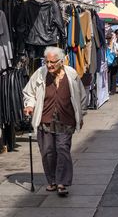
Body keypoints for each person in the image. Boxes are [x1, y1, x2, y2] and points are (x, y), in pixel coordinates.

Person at [23, 46, 87, 196]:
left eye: (53, 62)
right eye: (47, 62)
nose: (49, 65)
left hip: (66, 119)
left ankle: (61, 183)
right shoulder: (40, 74)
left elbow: (82, 96)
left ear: (61, 61)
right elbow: (29, 92)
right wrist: (30, 105)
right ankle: (51, 180)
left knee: (63, 149)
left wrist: (81, 114)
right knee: (47, 152)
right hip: (45, 119)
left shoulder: (71, 74)